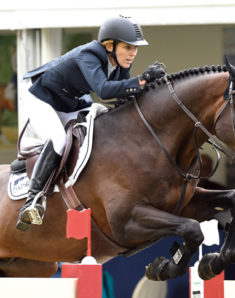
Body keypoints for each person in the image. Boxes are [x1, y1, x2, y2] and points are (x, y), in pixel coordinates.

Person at [16, 15, 166, 231]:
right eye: (128, 47)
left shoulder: (119, 63)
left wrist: (152, 86)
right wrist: (142, 80)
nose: (133, 53)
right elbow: (104, 91)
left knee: (102, 121)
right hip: (40, 99)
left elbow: (122, 98)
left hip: (68, 103)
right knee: (58, 140)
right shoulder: (90, 55)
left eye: (135, 48)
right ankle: (31, 201)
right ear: (109, 45)